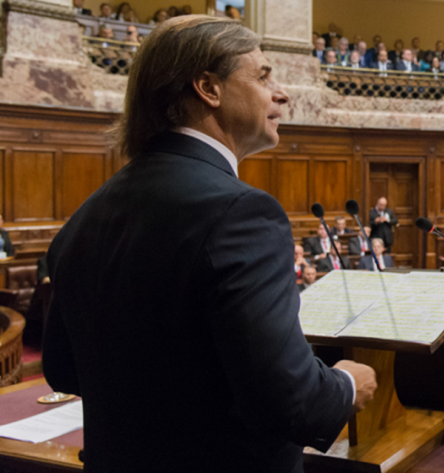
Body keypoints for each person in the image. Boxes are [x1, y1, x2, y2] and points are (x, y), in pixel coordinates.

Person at [42, 17, 377, 472]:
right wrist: (347, 384)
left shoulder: (85, 215)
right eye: (263, 77)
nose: (281, 94)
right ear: (208, 88)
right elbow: (292, 402)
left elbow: (63, 369)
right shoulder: (242, 213)